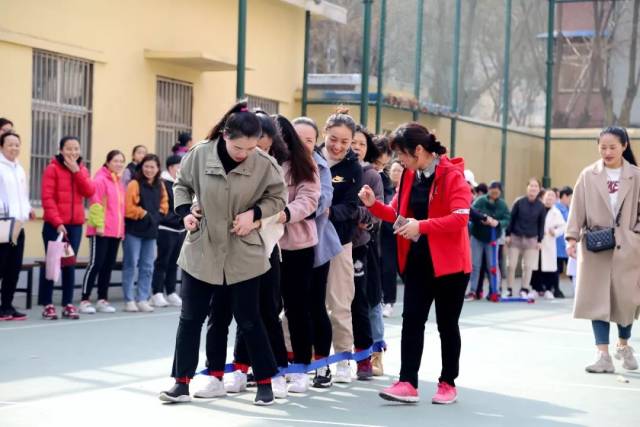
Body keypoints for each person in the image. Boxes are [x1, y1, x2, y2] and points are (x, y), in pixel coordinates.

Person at [159, 101, 287, 406]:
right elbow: (182, 185)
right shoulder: (200, 153)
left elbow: (278, 198)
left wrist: (255, 214)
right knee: (190, 318)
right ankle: (181, 383)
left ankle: (265, 382)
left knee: (249, 319)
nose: (244, 154)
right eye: (238, 147)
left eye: (251, 148)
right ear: (225, 136)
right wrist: (185, 213)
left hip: (244, 253)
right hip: (202, 249)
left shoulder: (264, 163)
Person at [359, 122, 471, 405]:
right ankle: (408, 381)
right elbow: (397, 214)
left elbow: (460, 218)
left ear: (419, 150)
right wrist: (374, 204)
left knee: (447, 325)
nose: (400, 162)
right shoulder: (410, 175)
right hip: (419, 261)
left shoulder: (453, 175)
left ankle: (448, 383)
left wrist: (421, 226)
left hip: (451, 266)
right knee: (412, 321)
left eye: (403, 155)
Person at [224, 111, 289, 398]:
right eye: (248, 147)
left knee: (268, 312)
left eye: (260, 146)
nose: (252, 152)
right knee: (244, 313)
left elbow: (280, 206)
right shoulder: (230, 162)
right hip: (238, 248)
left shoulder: (276, 167)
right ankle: (240, 368)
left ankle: (277, 372)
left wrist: (258, 218)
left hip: (268, 247)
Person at [566, 126, 640, 374]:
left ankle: (623, 344)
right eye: (603, 147)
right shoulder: (588, 175)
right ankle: (602, 355)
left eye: (612, 146)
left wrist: (634, 235)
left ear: (624, 146)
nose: (607, 151)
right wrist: (572, 237)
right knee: (596, 299)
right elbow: (577, 207)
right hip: (596, 246)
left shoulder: (636, 176)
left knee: (627, 300)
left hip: (628, 247)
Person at [292, 116, 342, 388]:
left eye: (309, 140)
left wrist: (290, 209)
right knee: (284, 306)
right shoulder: (278, 164)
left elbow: (320, 202)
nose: (303, 144)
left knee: (314, 305)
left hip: (316, 245)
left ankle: (322, 365)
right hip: (282, 247)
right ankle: (285, 362)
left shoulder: (319, 166)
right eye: (297, 138)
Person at [274, 114, 320, 393]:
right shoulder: (260, 162)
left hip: (298, 246)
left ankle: (302, 367)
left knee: (297, 308)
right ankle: (275, 367)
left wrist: (283, 214)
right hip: (266, 247)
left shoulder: (305, 165)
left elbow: (309, 200)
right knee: (268, 309)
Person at [322, 108, 363, 384]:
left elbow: (352, 206)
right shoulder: (309, 158)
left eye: (344, 142)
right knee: (297, 302)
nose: (337, 146)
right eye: (333, 138)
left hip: (339, 242)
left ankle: (343, 359)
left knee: (339, 302)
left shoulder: (353, 168)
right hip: (304, 241)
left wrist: (327, 213)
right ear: (325, 133)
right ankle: (299, 358)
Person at [39, 136, 95, 320]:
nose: (73, 152)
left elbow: (89, 191)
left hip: (75, 225)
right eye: (69, 149)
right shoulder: (52, 169)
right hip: (54, 226)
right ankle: (47, 304)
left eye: (76, 149)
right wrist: (57, 223)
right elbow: (47, 199)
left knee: (69, 265)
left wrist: (77, 172)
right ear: (61, 150)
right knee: (53, 263)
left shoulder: (82, 169)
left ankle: (67, 304)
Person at [350, 124, 383, 380]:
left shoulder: (371, 175)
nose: (356, 147)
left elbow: (376, 213)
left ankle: (369, 356)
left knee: (364, 301)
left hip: (360, 246)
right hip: (329, 244)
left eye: (361, 143)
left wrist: (362, 216)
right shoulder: (331, 169)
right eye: (353, 142)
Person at [79, 150, 126, 314]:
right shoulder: (100, 179)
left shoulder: (118, 182)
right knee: (95, 264)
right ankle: (84, 300)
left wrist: (121, 230)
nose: (119, 164)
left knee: (107, 266)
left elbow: (119, 209)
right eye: (115, 161)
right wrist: (99, 226)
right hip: (100, 231)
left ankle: (102, 299)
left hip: (115, 232)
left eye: (121, 161)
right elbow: (96, 204)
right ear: (108, 162)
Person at [122, 154, 168, 313]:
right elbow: (128, 208)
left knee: (148, 266)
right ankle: (129, 300)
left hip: (151, 232)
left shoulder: (160, 185)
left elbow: (164, 204)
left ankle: (142, 298)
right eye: (146, 166)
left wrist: (159, 215)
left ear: (157, 169)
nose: (149, 170)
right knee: (131, 264)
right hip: (134, 230)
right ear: (142, 167)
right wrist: (145, 214)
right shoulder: (134, 183)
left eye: (153, 167)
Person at [0, 132, 32, 320]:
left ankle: (6, 306)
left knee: (14, 267)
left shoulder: (19, 168)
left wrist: (25, 211)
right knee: (1, 266)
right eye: (10, 144)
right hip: (3, 223)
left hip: (18, 225)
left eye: (17, 144)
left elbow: (24, 195)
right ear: (2, 146)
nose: (14, 148)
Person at [465, 181, 510, 301]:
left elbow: (507, 219)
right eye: (492, 191)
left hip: (493, 239)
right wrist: (482, 220)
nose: (494, 194)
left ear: (500, 192)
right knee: (475, 265)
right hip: (477, 236)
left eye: (497, 192)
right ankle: (473, 291)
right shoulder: (480, 201)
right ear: (489, 190)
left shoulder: (502, 205)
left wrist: (498, 223)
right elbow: (472, 213)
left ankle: (494, 291)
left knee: (493, 265)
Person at [150, 155, 185, 308]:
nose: (181, 170)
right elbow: (165, 208)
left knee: (174, 263)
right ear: (171, 168)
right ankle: (156, 293)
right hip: (165, 228)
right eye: (179, 166)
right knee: (162, 262)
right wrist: (179, 219)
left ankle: (170, 292)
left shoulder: (183, 184)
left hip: (180, 229)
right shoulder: (162, 184)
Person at [505, 178, 546, 299]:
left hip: (532, 240)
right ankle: (509, 289)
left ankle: (524, 289)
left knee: (528, 267)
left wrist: (540, 241)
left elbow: (541, 224)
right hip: (515, 238)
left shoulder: (541, 206)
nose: (533, 188)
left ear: (539, 189)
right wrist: (508, 234)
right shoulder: (519, 202)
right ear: (527, 187)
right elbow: (511, 219)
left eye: (536, 186)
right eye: (531, 186)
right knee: (511, 265)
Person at [377, 140, 400, 319]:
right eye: (393, 170)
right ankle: (385, 301)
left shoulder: (408, 189)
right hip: (383, 234)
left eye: (399, 170)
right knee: (384, 268)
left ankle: (390, 301)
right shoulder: (383, 186)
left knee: (395, 269)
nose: (396, 173)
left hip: (401, 235)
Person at [531, 189, 566, 300]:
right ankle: (536, 289)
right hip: (536, 242)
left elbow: (563, 227)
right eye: (547, 196)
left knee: (549, 268)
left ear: (555, 199)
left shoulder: (556, 212)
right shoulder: (537, 209)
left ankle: (548, 290)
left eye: (552, 197)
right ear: (543, 197)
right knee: (536, 266)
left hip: (549, 243)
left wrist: (554, 232)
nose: (549, 198)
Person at [555, 186, 573, 298]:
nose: (571, 199)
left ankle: (579, 288)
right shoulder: (556, 209)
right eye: (570, 197)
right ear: (565, 196)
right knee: (557, 269)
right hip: (557, 244)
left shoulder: (569, 208)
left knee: (571, 268)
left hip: (566, 244)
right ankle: (556, 289)